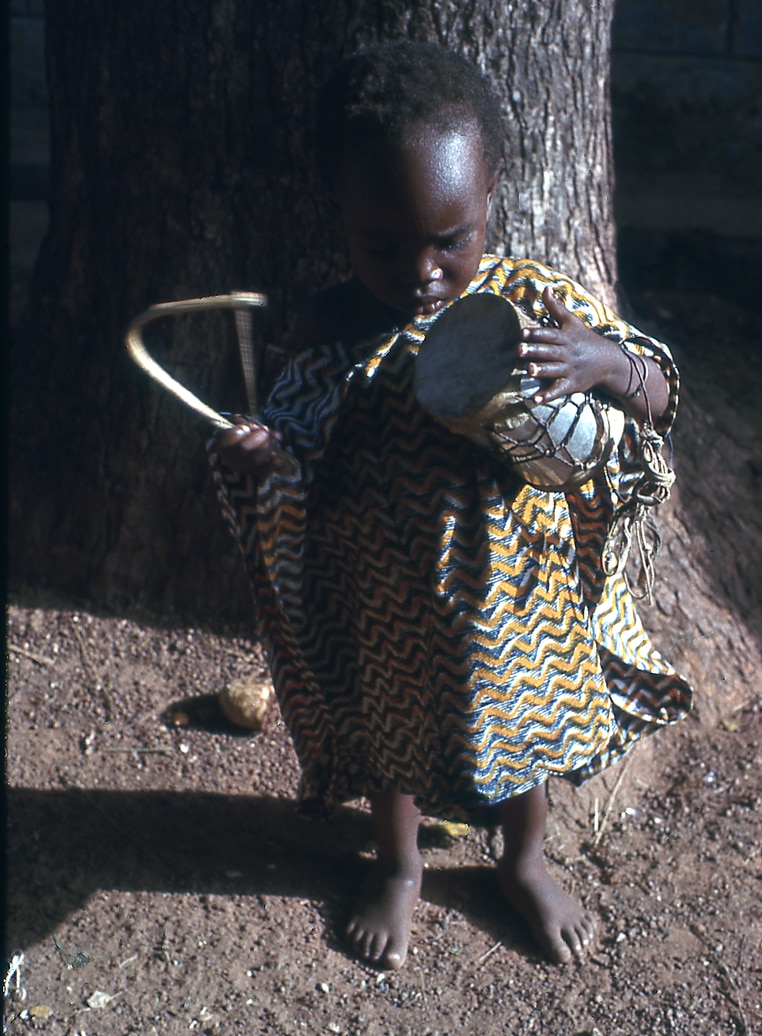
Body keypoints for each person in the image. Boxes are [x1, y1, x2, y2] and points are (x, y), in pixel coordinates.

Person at [211, 41, 692, 969]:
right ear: (341, 214)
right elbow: (297, 444)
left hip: (520, 597)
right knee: (393, 738)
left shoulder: (532, 303)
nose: (422, 272)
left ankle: (523, 860)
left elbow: (662, 395)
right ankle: (398, 868)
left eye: (451, 239)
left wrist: (604, 363)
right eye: (384, 245)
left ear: (492, 194)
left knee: (527, 739)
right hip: (385, 595)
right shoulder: (334, 327)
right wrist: (264, 458)